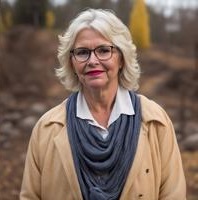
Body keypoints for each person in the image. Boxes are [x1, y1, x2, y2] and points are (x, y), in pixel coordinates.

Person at [20, 8, 186, 200]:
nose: (92, 61)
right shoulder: (46, 129)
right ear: (72, 63)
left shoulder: (156, 122)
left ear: (122, 58)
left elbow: (174, 195)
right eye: (82, 52)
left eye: (104, 50)